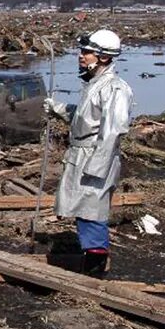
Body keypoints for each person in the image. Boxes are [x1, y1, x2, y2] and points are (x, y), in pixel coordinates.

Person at [44, 30, 132, 276]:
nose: (81, 56)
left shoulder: (115, 88)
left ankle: (94, 273)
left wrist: (96, 167)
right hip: (81, 155)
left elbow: (112, 130)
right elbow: (85, 117)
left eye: (86, 52)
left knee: (92, 213)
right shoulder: (94, 84)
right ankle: (89, 263)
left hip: (95, 156)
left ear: (103, 58)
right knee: (83, 212)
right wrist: (59, 109)